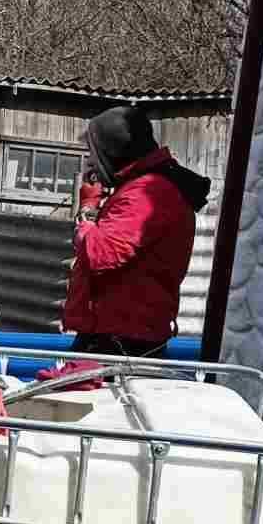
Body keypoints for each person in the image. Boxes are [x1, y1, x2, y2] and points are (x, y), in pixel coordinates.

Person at [60, 104, 212, 359]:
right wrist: (92, 203)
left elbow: (100, 253)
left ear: (112, 151)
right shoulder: (143, 187)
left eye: (92, 152)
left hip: (123, 341)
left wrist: (86, 214)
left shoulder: (147, 193)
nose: (90, 162)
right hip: (120, 333)